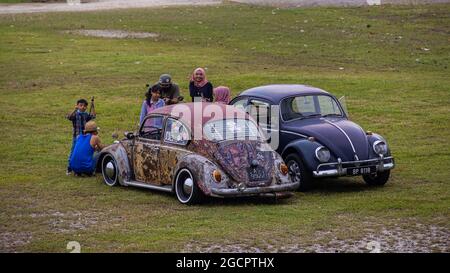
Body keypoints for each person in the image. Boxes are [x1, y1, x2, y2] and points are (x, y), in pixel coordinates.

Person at [66, 98, 96, 175]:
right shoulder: (75, 114)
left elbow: (93, 116)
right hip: (76, 137)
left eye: (85, 106)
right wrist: (74, 110)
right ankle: (69, 168)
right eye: (81, 105)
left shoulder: (86, 115)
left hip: (84, 137)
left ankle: (81, 167)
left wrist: (92, 106)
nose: (83, 107)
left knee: (83, 151)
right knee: (73, 151)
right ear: (77, 106)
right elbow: (69, 117)